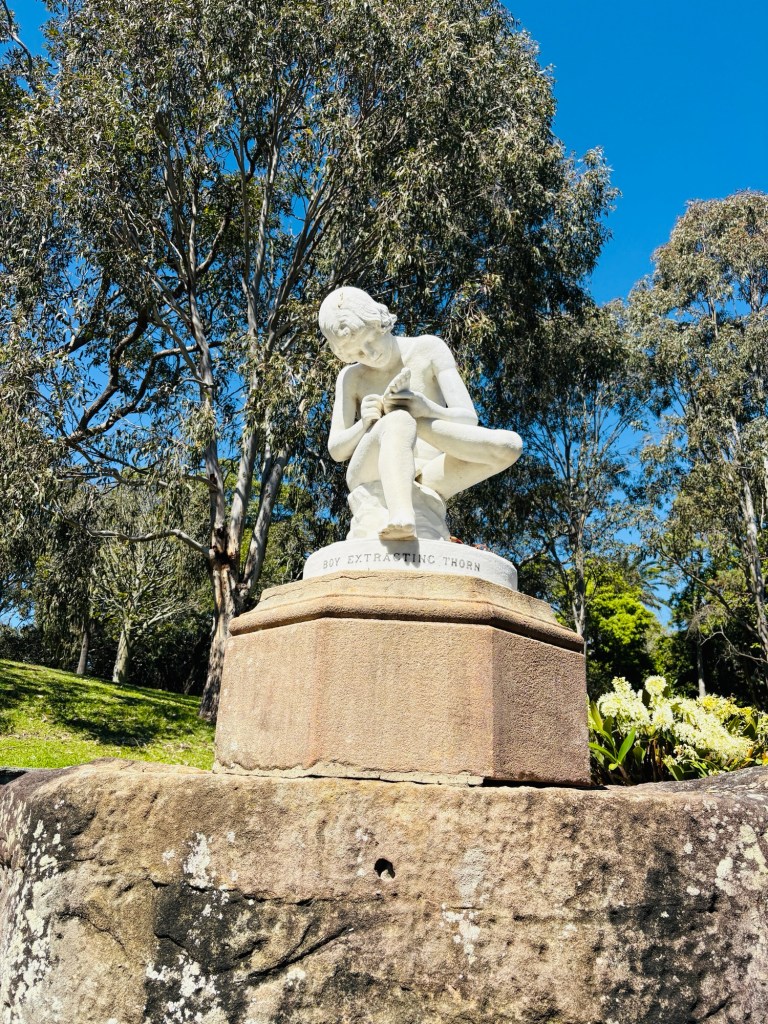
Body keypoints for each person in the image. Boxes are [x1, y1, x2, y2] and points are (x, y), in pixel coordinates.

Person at [319, 287, 522, 541]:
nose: (370, 354)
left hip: (429, 476)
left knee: (509, 445)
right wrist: (365, 425)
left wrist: (424, 410)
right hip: (370, 471)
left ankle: (404, 428)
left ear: (379, 323)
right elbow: (337, 450)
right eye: (358, 353)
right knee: (397, 420)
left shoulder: (428, 349)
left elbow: (469, 419)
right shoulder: (351, 377)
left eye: (370, 340)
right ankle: (401, 516)